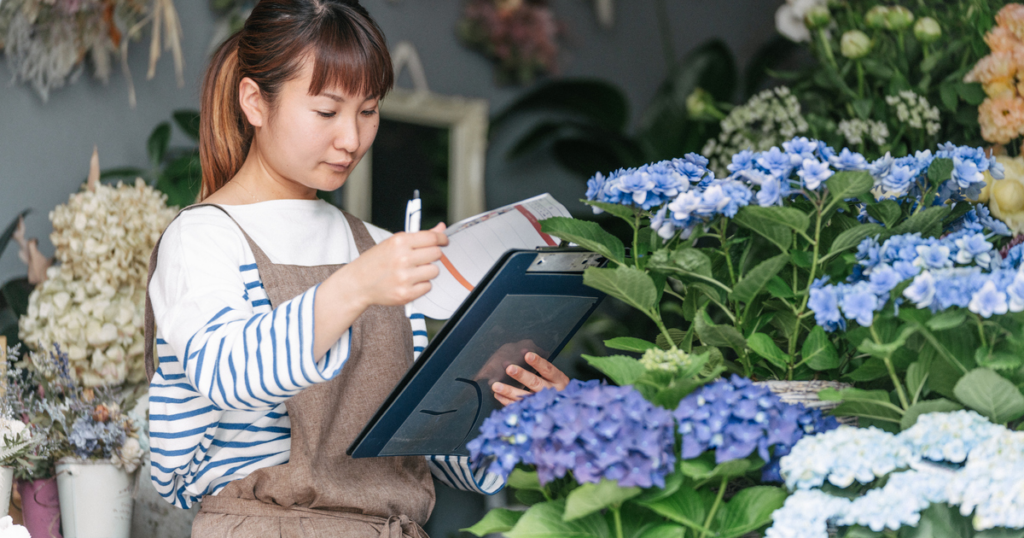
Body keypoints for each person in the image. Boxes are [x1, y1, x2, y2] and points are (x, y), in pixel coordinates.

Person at [143, 1, 570, 536]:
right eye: (327, 112)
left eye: (368, 111)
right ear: (254, 101)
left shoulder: (380, 247)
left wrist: (511, 410)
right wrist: (355, 285)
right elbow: (228, 375)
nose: (352, 139)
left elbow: (417, 449)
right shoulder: (203, 237)